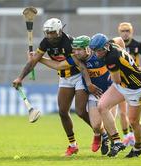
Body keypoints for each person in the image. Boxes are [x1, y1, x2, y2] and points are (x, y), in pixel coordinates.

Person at [12, 18, 100, 157]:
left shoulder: (69, 43)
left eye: (52, 32)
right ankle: (72, 145)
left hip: (78, 77)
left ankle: (99, 133)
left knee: (81, 112)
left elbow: (63, 65)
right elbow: (33, 62)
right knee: (63, 112)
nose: (50, 35)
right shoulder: (45, 42)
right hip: (64, 78)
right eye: (47, 32)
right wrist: (20, 77)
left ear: (59, 31)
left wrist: (38, 58)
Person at [35, 35, 126, 156]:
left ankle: (114, 146)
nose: (76, 52)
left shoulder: (100, 53)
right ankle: (100, 135)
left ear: (88, 49)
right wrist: (38, 58)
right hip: (95, 95)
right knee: (96, 126)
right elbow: (58, 66)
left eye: (79, 50)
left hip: (110, 92)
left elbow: (119, 40)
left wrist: (124, 51)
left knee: (109, 123)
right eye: (74, 49)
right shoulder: (75, 59)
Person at [89, 33, 141, 158]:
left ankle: (138, 147)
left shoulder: (111, 58)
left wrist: (113, 72)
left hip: (136, 88)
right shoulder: (111, 43)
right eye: (94, 50)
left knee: (133, 121)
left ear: (105, 47)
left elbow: (116, 80)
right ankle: (116, 141)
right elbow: (120, 40)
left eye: (99, 50)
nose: (97, 53)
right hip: (122, 84)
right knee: (102, 106)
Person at [117, 22, 141, 146]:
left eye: (127, 31)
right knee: (122, 112)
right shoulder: (117, 46)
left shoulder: (137, 45)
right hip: (122, 80)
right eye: (123, 31)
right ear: (119, 32)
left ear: (131, 32)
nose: (125, 33)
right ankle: (127, 136)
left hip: (134, 81)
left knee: (133, 115)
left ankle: (132, 135)